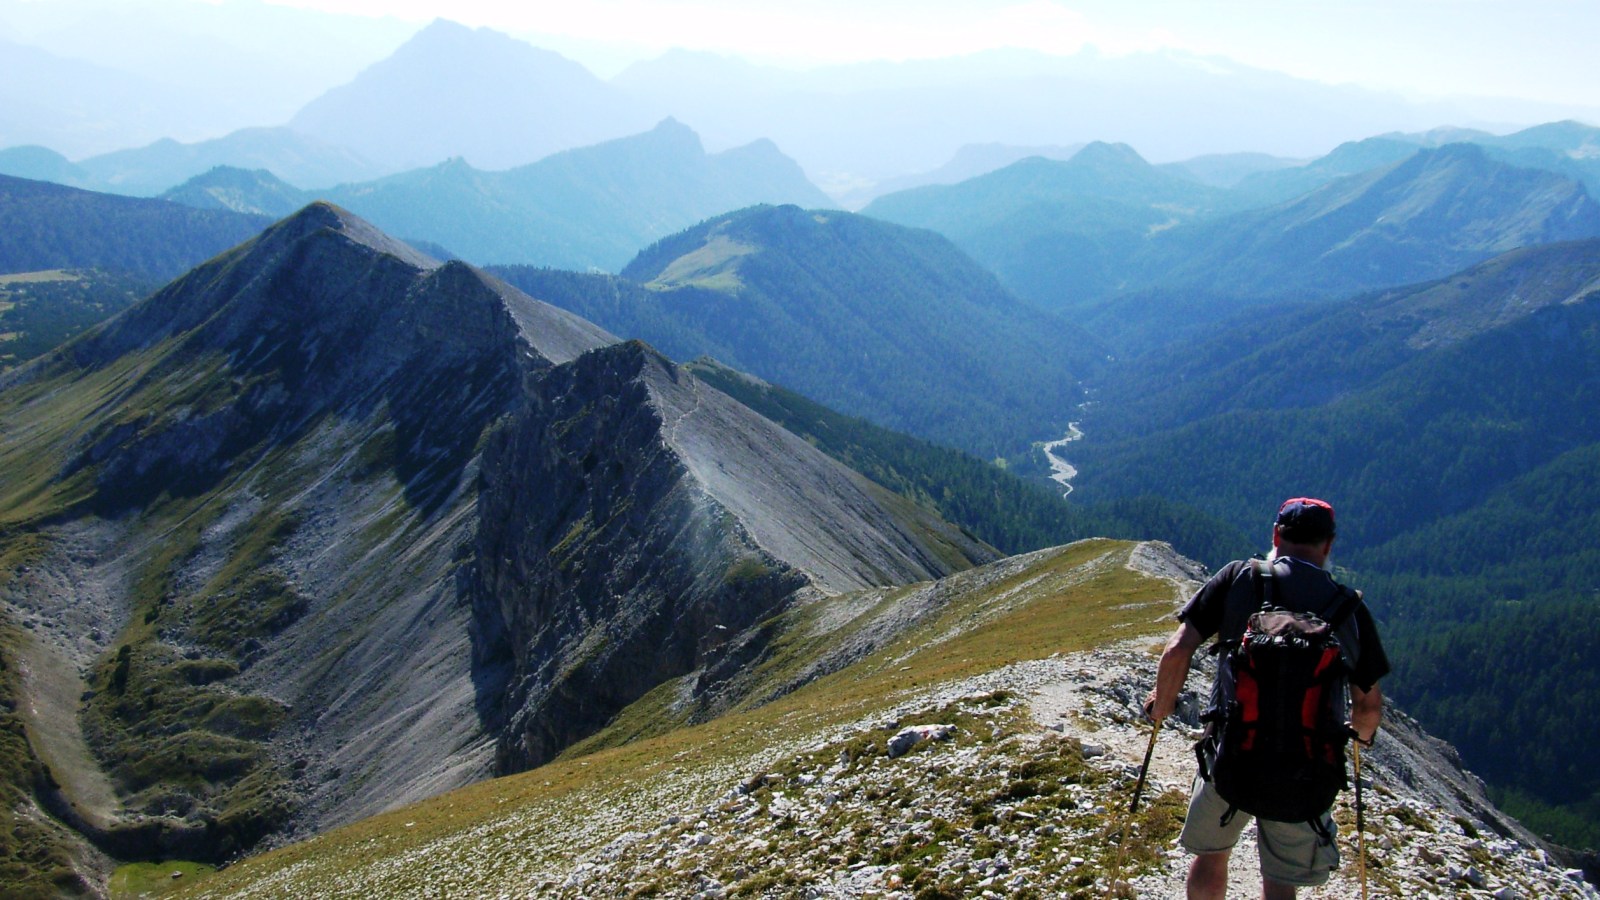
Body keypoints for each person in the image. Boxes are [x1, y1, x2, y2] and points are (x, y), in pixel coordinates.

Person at [1143, 497, 1390, 900]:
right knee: (1280, 881)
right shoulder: (1347, 607)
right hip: (1306, 767)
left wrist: (1163, 706)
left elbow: (1177, 650)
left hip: (1230, 754)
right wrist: (1360, 739)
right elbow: (1368, 705)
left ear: (1276, 535)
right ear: (1328, 545)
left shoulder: (1239, 577)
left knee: (1210, 856)